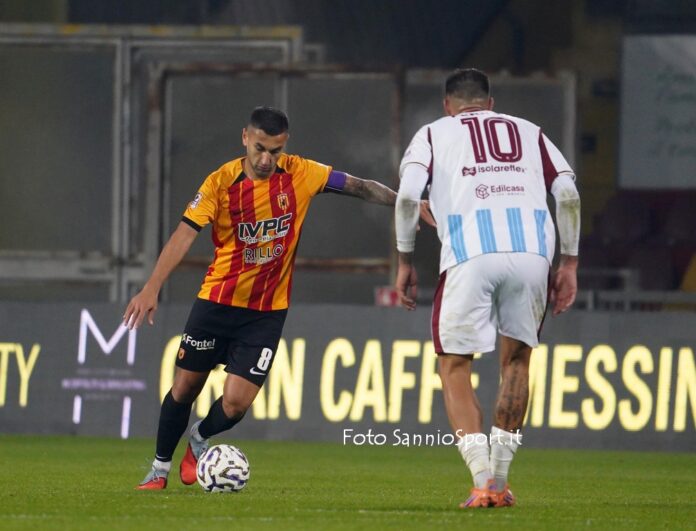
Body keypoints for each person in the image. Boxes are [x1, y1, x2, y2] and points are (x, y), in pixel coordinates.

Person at [124, 106, 403, 490]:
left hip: (266, 313)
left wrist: (407, 203)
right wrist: (152, 286)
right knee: (186, 387)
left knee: (236, 403)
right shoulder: (220, 182)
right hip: (216, 303)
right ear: (245, 138)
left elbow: (360, 186)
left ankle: (200, 438)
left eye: (275, 150)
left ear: (284, 144)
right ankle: (159, 470)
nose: (266, 159)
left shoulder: (302, 173)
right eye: (259, 148)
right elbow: (184, 234)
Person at [394, 68, 580, 508]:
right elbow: (568, 195)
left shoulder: (433, 133)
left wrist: (405, 260)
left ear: (448, 105)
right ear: (490, 104)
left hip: (470, 254)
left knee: (454, 365)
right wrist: (569, 263)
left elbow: (407, 197)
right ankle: (500, 481)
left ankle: (481, 480)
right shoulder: (531, 132)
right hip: (532, 254)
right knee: (516, 362)